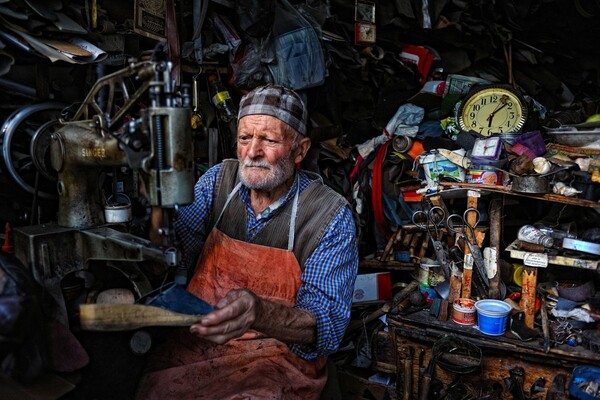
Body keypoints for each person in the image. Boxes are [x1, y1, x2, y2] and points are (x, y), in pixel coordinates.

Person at [136, 84, 359, 399]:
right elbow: (172, 258)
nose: (253, 153)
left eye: (268, 140)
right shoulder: (217, 183)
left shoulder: (327, 215)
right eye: (244, 138)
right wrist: (159, 210)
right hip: (197, 346)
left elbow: (326, 327)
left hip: (276, 359)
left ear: (300, 150)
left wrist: (260, 313)